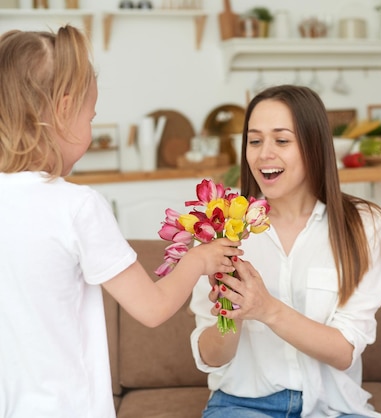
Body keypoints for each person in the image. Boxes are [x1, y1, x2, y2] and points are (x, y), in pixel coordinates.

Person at [0, 25, 243, 417]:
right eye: (90, 117)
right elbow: (153, 308)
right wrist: (199, 259)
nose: (91, 133)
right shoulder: (77, 206)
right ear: (63, 111)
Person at [190, 84, 381, 417]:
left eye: (281, 140)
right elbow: (211, 357)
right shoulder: (221, 227)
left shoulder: (362, 225)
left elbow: (344, 351)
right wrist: (232, 314)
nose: (264, 153)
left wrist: (266, 308)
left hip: (334, 408)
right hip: (242, 405)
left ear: (314, 147)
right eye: (254, 141)